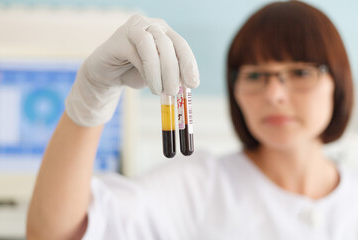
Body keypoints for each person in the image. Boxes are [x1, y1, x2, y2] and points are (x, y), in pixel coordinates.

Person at [27, 1, 358, 239]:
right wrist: (91, 97)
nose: (274, 94)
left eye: (300, 72)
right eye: (255, 75)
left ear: (339, 83)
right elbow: (52, 234)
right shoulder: (197, 185)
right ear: (235, 91)